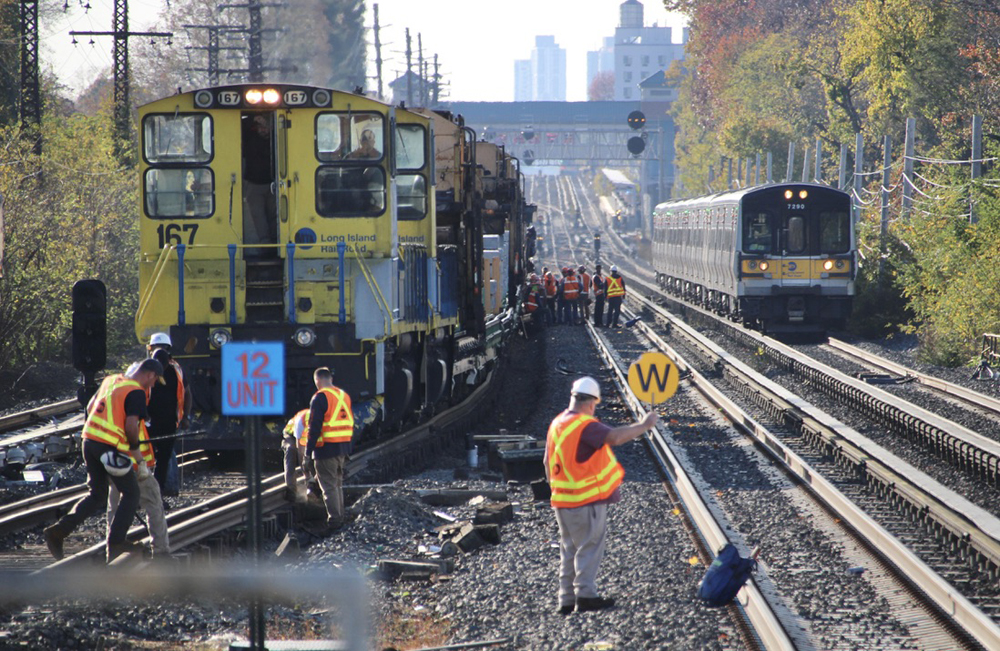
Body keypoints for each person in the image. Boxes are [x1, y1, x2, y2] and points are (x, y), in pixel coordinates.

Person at [545, 376, 658, 614]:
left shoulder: (558, 423)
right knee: (589, 545)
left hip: (562, 500)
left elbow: (547, 461)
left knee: (569, 548)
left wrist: (557, 488)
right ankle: (585, 595)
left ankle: (566, 599)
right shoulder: (586, 425)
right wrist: (645, 425)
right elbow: (615, 437)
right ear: (591, 403)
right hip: (586, 501)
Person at [43, 359, 164, 564]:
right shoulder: (136, 392)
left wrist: (100, 432)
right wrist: (136, 454)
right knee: (132, 493)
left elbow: (90, 406)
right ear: (150, 374)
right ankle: (116, 542)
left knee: (97, 494)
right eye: (154, 381)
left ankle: (58, 531)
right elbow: (131, 425)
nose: (152, 385)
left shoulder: (111, 381)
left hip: (89, 441)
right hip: (107, 447)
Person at [107, 416, 170, 559]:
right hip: (132, 462)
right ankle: (161, 551)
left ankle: (112, 553)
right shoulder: (134, 394)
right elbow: (130, 428)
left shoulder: (105, 395)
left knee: (115, 506)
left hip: (111, 460)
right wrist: (140, 460)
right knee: (153, 500)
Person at [304, 367, 355, 534]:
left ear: (317, 380)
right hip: (343, 448)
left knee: (329, 486)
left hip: (325, 449)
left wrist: (307, 453)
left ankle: (335, 521)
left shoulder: (319, 397)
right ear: (330, 379)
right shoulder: (343, 395)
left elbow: (314, 427)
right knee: (337, 484)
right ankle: (340, 515)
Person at [147, 334, 192, 496]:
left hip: (155, 422)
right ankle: (156, 491)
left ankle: (155, 492)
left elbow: (186, 393)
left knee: (157, 459)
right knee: (160, 460)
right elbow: (188, 393)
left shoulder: (146, 369)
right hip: (157, 422)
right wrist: (185, 417)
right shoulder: (175, 369)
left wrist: (185, 416)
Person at [242, 114, 276, 247]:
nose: (263, 130)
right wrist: (253, 118)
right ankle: (265, 243)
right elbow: (238, 125)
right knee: (258, 216)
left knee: (274, 215)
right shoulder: (249, 138)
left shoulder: (277, 138)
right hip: (253, 184)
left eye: (266, 127)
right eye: (259, 127)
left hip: (274, 183)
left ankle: (277, 242)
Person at [282, 408, 314, 502]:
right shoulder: (301, 422)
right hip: (291, 435)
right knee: (291, 450)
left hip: (306, 437)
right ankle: (291, 489)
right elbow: (300, 452)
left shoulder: (322, 419)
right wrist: (306, 474)